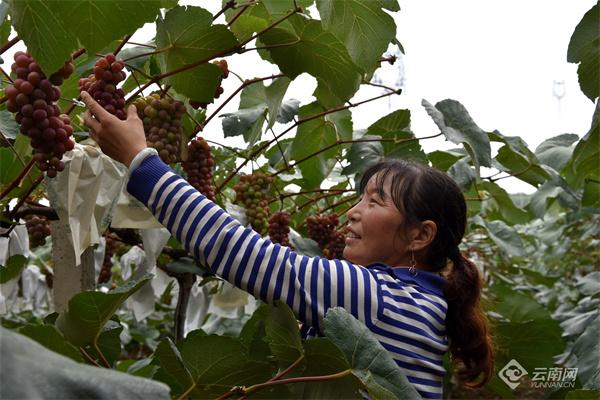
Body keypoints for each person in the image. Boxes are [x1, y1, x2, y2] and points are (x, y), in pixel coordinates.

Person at [80, 91, 494, 399]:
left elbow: (238, 250)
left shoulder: (376, 296)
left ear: (420, 235)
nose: (352, 212)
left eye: (374, 202)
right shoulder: (421, 303)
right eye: (360, 198)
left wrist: (141, 162)